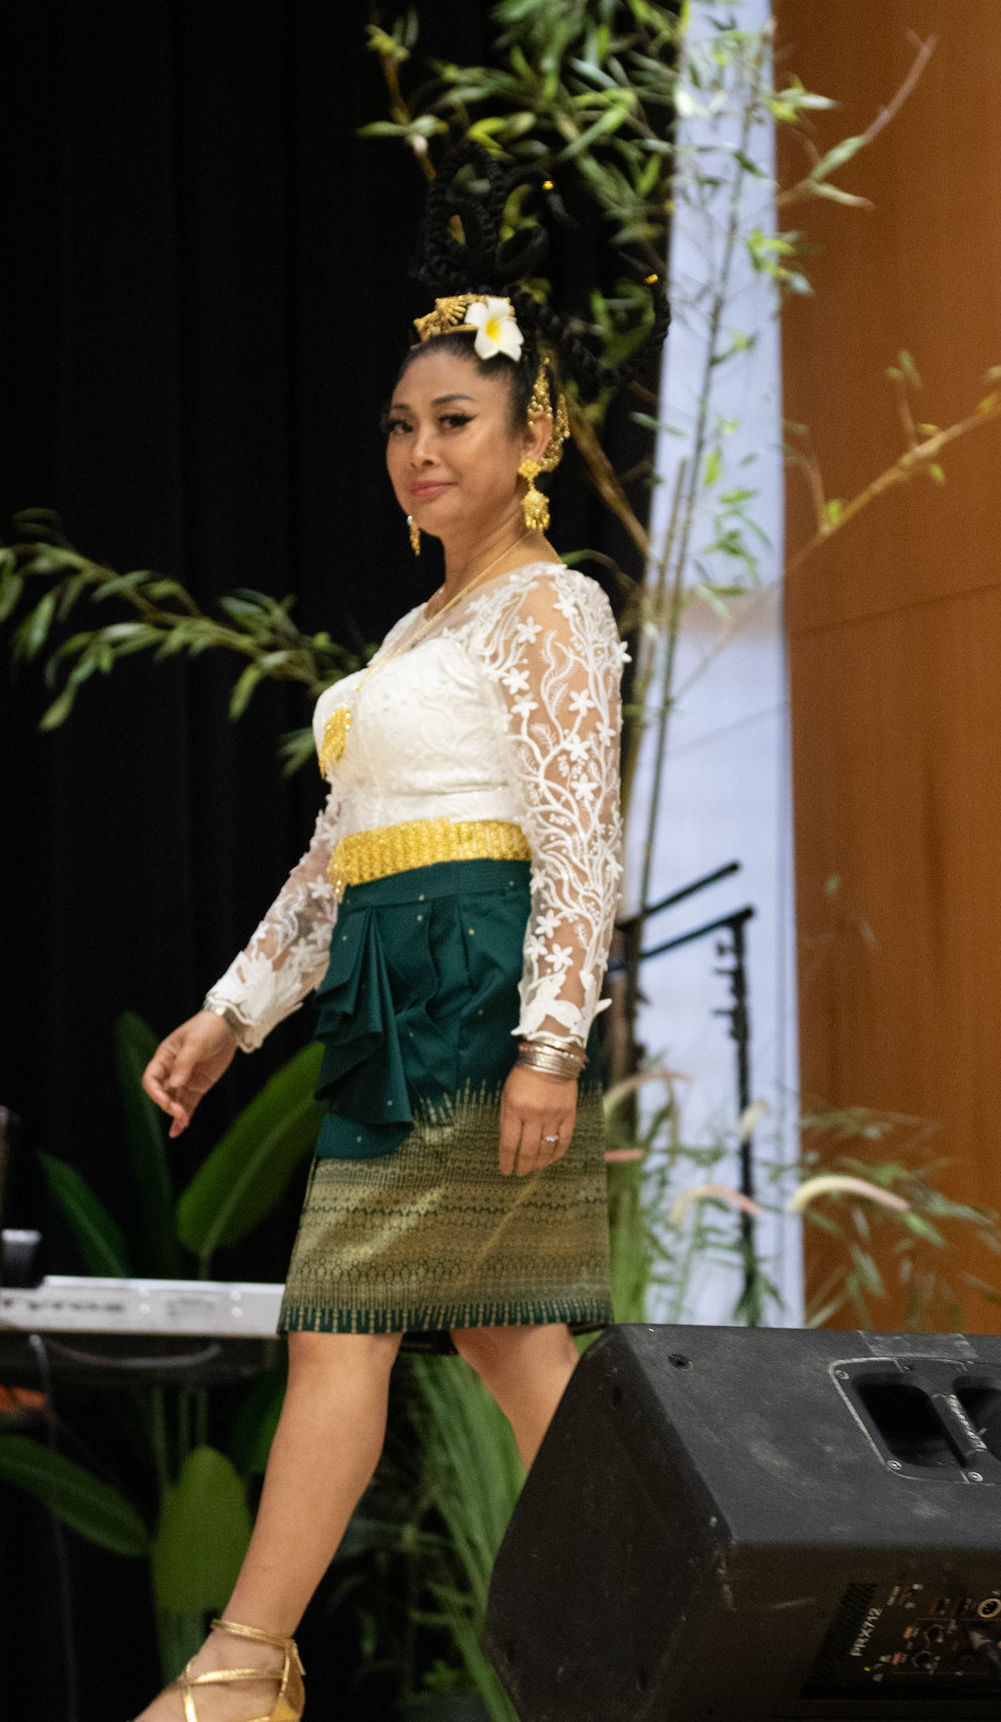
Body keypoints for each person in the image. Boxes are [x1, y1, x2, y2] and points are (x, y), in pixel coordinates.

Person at [134, 250, 641, 1719]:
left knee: (347, 1326)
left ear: (532, 438)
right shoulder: (420, 631)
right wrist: (234, 1013)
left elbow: (580, 844)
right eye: (403, 426)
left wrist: (551, 1045)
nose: (421, 450)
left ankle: (241, 1669)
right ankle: (654, 1652)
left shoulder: (550, 608)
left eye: (455, 421)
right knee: (513, 1346)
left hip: (473, 996)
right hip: (389, 987)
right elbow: (337, 857)